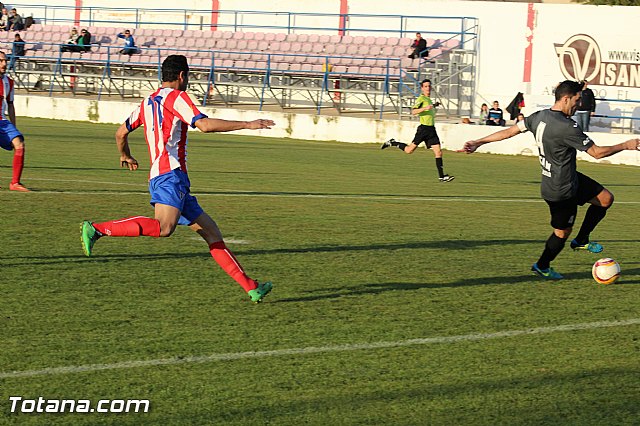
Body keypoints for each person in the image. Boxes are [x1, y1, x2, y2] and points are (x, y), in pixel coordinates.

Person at [80, 55, 274, 303]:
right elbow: (203, 125)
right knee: (163, 227)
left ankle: (251, 287)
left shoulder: (147, 102)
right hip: (170, 176)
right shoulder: (177, 97)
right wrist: (247, 124)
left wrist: (125, 155)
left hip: (169, 178)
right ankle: (97, 229)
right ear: (182, 75)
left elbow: (120, 133)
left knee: (212, 234)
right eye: (188, 76)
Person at [458, 80, 640, 280]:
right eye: (577, 100)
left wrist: (479, 142)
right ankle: (542, 265)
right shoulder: (567, 127)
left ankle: (581, 239)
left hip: (568, 178)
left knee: (605, 199)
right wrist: (625, 144)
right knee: (562, 233)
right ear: (565, 98)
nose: (579, 105)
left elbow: (509, 131)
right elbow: (596, 153)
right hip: (560, 189)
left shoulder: (539, 116)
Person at [380, 78, 454, 182]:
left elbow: (428, 107)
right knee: (409, 150)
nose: (428, 88)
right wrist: (425, 108)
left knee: (439, 152)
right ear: (422, 88)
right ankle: (392, 143)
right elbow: (413, 112)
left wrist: (434, 105)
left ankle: (441, 177)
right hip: (423, 129)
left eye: (429, 86)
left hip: (431, 130)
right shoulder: (421, 99)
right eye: (426, 86)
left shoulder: (428, 100)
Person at [0, 51, 29, 191]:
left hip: (2, 122)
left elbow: (10, 104)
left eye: (5, 60)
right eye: (1, 61)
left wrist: (14, 127)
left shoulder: (8, 82)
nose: (4, 64)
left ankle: (15, 183)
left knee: (20, 144)